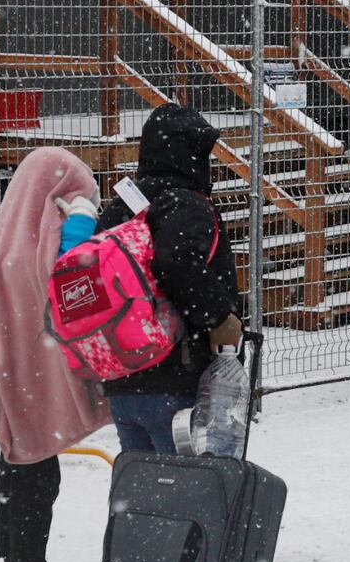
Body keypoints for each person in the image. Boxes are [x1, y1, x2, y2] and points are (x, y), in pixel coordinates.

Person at [0, 147, 111, 562]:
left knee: (17, 465)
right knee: (39, 474)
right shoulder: (42, 248)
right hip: (36, 379)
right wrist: (81, 223)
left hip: (9, 379)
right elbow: (70, 278)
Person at [96, 104, 244, 454]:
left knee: (142, 484)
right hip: (177, 378)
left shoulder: (122, 207)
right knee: (189, 484)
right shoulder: (186, 203)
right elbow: (176, 261)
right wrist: (220, 317)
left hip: (124, 380)